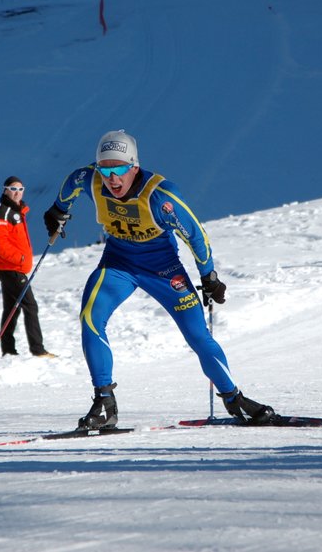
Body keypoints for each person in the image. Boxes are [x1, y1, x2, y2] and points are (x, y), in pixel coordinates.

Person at [42, 130, 275, 430]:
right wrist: (58, 210)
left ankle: (235, 400)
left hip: (164, 271)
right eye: (105, 169)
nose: (112, 179)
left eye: (119, 170)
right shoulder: (91, 180)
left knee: (197, 335)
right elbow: (71, 182)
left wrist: (210, 277)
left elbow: (195, 236)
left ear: (134, 167)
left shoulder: (161, 197)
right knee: (90, 316)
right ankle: (104, 402)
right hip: (118, 264)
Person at [0, 176, 55, 358]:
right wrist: (21, 258)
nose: (17, 192)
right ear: (5, 190)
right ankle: (38, 349)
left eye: (20, 189)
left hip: (14, 266)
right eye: (13, 188)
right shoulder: (2, 212)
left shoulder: (16, 211)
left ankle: (8, 349)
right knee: (30, 306)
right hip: (11, 268)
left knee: (12, 308)